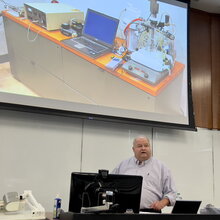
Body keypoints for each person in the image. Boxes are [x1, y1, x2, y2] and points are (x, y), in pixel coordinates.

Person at [111, 136, 176, 212]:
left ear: (150, 147)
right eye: (139, 146)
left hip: (151, 213)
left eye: (146, 145)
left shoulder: (161, 167)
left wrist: (162, 203)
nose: (143, 148)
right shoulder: (123, 165)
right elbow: (110, 187)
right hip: (124, 212)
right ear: (133, 149)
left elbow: (172, 193)